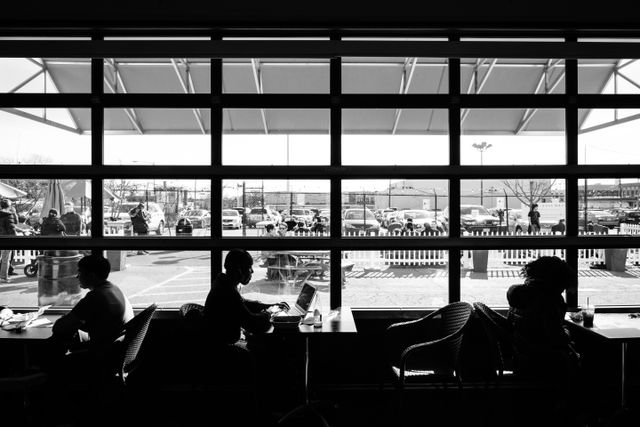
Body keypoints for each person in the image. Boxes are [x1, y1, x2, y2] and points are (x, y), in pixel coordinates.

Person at [507, 256, 580, 380]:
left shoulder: (520, 295)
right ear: (557, 281)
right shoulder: (549, 300)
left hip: (521, 356)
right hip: (545, 360)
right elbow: (556, 337)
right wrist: (567, 331)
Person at [204, 249, 289, 348]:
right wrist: (269, 312)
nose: (252, 271)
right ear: (239, 270)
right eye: (249, 267)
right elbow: (252, 324)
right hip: (223, 348)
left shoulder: (223, 283)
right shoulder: (227, 291)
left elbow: (243, 303)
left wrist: (271, 306)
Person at [0, 199, 17, 283]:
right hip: (6, 240)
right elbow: (12, 229)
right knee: (5, 260)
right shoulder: (8, 215)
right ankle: (3, 277)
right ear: (9, 206)